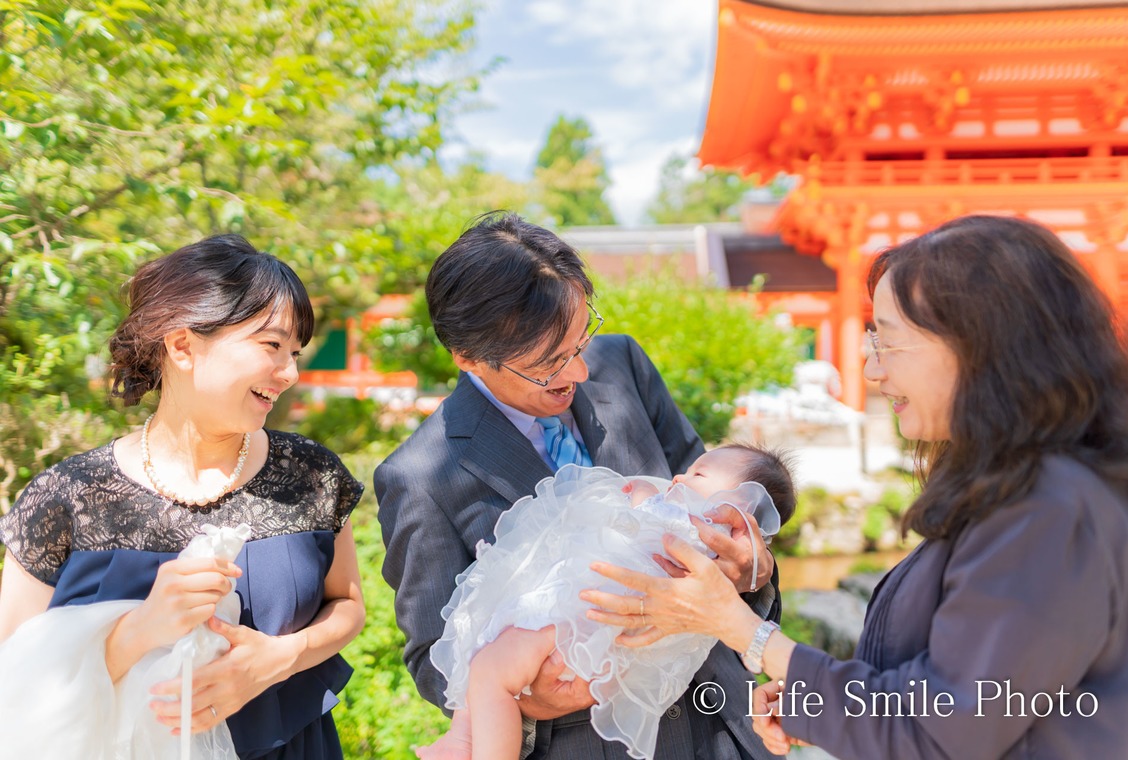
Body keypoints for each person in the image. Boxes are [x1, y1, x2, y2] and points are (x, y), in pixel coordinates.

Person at [582, 215, 1128, 759]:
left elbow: (945, 732)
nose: (873, 371)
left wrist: (740, 627)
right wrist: (811, 699)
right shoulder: (1035, 491)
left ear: (981, 347)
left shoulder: (1049, 509)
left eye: (889, 343)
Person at [375, 211, 781, 759]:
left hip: (720, 729)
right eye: (549, 364)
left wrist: (753, 570)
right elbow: (431, 653)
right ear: (469, 358)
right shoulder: (420, 475)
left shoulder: (625, 366)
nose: (579, 373)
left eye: (579, 342)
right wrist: (530, 696)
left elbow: (714, 501)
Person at [0, 234, 366, 759]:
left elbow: (348, 606)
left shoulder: (312, 475)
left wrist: (278, 658)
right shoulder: (64, 498)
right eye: (270, 345)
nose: (289, 373)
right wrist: (139, 631)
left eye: (294, 352)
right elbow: (14, 678)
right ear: (181, 345)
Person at [419, 444, 794, 760]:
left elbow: (669, 529)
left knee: (489, 669)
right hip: (575, 629)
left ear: (739, 506)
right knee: (481, 659)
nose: (678, 477)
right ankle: (463, 738)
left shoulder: (698, 526)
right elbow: (424, 645)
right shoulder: (418, 471)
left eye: (697, 475)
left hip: (585, 620)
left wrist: (755, 573)